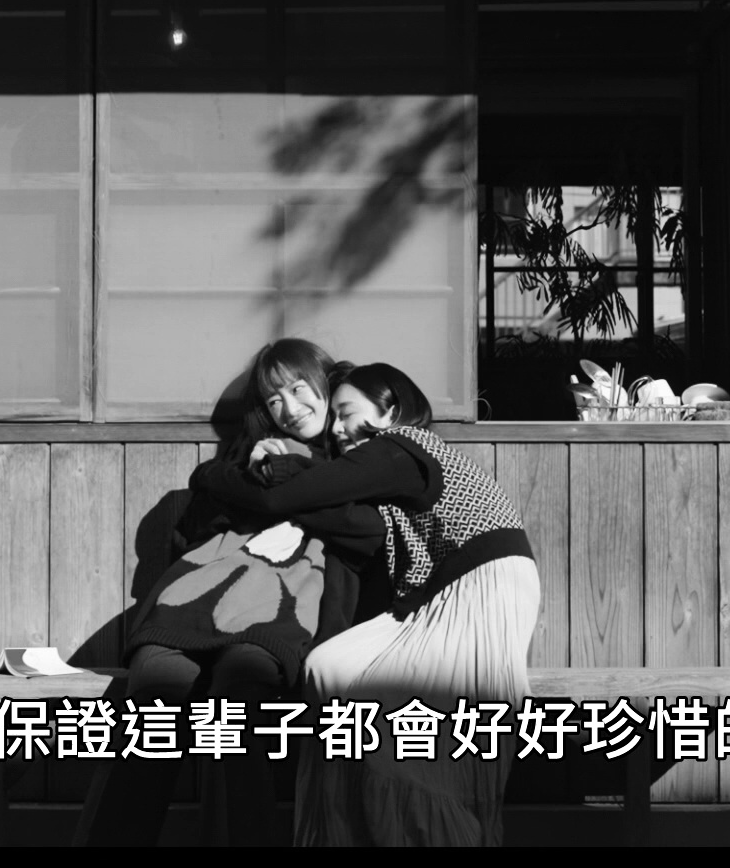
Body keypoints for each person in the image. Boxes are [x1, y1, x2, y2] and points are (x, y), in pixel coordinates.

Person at [192, 362, 541, 846]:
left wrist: (212, 475)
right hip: (432, 598)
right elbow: (332, 503)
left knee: (394, 735)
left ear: (390, 409)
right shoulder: (388, 475)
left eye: (346, 412)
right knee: (329, 666)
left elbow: (287, 497)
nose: (336, 428)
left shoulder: (402, 447)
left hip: (480, 586)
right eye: (334, 416)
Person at [74, 338, 387, 846]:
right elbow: (194, 522)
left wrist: (287, 482)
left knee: (237, 701)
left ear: (326, 383)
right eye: (273, 399)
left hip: (278, 616)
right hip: (190, 607)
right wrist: (247, 474)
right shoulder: (247, 460)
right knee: (153, 702)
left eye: (298, 388)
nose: (288, 408)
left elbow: (367, 532)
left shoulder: (357, 460)